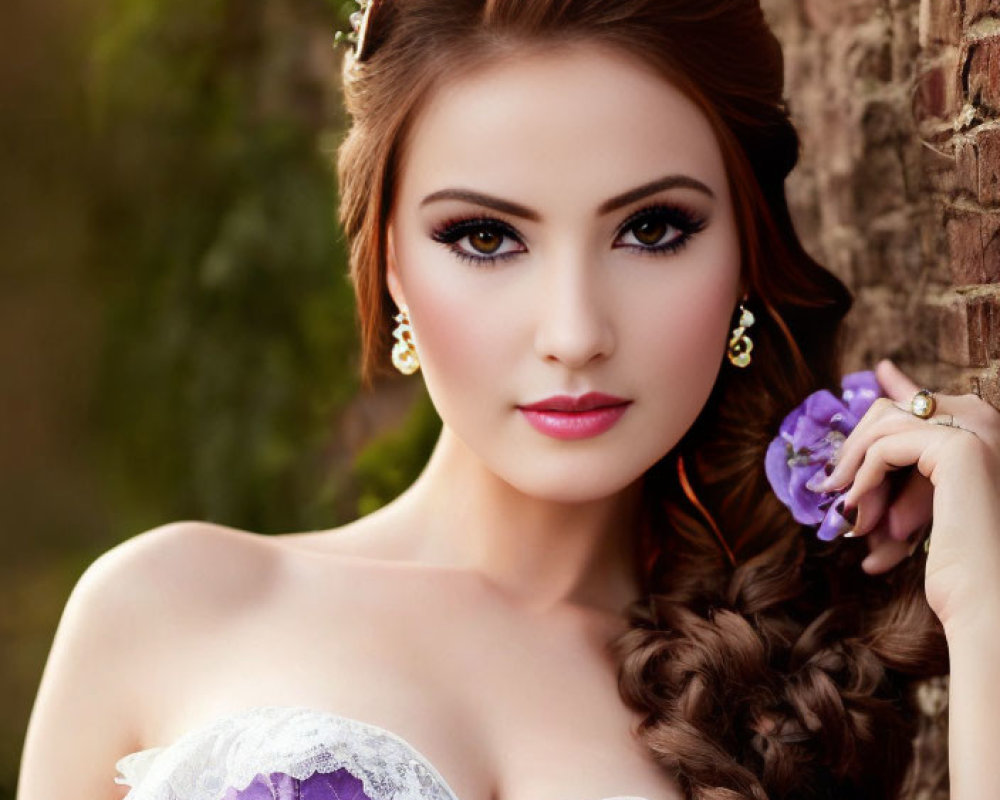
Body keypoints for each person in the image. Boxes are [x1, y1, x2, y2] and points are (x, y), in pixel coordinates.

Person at [17, 1, 1000, 798]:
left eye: (653, 228)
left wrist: (985, 596)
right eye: (485, 237)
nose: (573, 331)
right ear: (390, 262)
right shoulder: (163, 606)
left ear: (745, 252)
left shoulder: (778, 701)